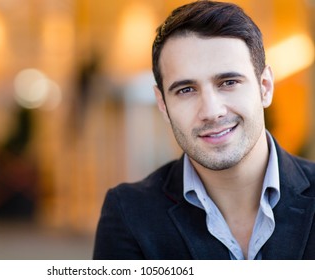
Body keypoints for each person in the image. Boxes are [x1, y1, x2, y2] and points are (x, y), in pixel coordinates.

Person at [93, 0, 315, 260]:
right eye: (186, 90)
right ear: (163, 104)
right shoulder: (129, 214)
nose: (211, 111)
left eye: (229, 82)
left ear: (265, 87)